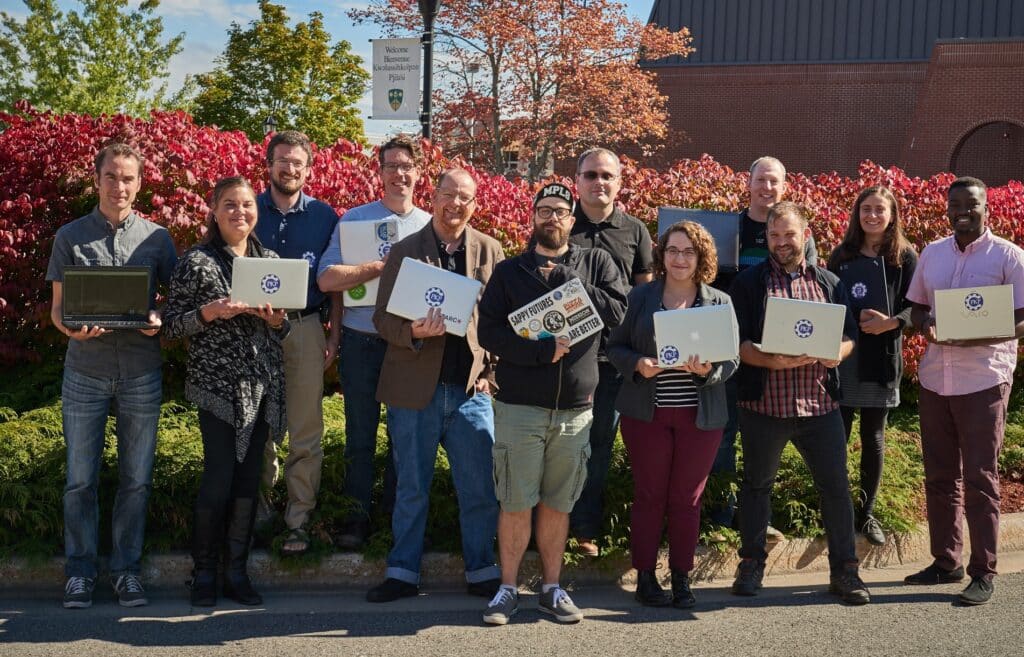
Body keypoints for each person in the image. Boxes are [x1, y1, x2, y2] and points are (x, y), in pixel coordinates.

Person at [477, 182, 628, 625]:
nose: (552, 218)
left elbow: (618, 313)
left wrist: (573, 283)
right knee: (515, 501)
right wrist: (541, 352)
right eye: (544, 210)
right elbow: (489, 333)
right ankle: (507, 590)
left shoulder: (597, 262)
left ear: (572, 219)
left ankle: (551, 589)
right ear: (532, 217)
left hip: (576, 409)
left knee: (558, 504)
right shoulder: (510, 271)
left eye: (561, 211)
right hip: (519, 407)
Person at [46, 142, 177, 609]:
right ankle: (80, 573)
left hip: (141, 372)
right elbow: (58, 310)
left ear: (139, 184)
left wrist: (158, 319)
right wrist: (71, 331)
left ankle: (126, 572)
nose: (118, 186)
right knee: (79, 481)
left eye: (127, 178)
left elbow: (175, 302)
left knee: (136, 481)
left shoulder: (158, 238)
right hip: (85, 371)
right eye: (111, 176)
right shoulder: (70, 236)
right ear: (97, 179)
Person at [365, 169, 505, 603]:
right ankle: (402, 573)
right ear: (434, 197)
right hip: (413, 390)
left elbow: (500, 323)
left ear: (474, 204)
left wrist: (491, 378)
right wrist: (413, 332)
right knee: (411, 488)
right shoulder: (406, 251)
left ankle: (482, 570)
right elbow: (381, 319)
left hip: (470, 392)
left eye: (464, 197)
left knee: (480, 489)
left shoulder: (491, 250)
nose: (455, 204)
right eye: (448, 195)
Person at [728, 201, 870, 605]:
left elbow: (849, 336)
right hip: (764, 407)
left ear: (805, 235)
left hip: (819, 406)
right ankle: (751, 564)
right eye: (774, 235)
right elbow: (737, 343)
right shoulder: (749, 283)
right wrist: (769, 359)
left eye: (789, 234)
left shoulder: (828, 282)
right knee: (756, 487)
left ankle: (845, 571)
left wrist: (837, 353)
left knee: (836, 489)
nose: (781, 242)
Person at [163, 177, 288, 607]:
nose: (240, 212)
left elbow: (285, 328)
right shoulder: (197, 262)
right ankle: (203, 574)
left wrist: (276, 320)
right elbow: (170, 326)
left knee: (249, 481)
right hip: (217, 388)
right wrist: (209, 312)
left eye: (247, 204)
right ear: (214, 211)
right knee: (218, 479)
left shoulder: (269, 260)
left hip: (260, 386)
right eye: (230, 204)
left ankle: (236, 573)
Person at [904, 176, 1024, 605]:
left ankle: (983, 571)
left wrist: (980, 335)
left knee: (980, 477)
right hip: (937, 378)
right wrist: (926, 325)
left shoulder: (1009, 256)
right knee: (939, 475)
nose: (961, 212)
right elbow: (917, 307)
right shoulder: (932, 254)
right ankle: (946, 561)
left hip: (984, 380)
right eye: (954, 205)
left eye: (970, 205)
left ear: (986, 208)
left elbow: (1022, 318)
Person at [608, 220, 738, 609]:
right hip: (647, 414)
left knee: (687, 498)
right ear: (662, 255)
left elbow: (731, 359)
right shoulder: (641, 297)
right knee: (649, 495)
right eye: (673, 250)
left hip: (699, 417)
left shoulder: (719, 302)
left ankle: (682, 576)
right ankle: (645, 576)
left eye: (689, 252)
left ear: (702, 257)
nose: (680, 258)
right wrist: (638, 364)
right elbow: (615, 347)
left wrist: (709, 371)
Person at [317, 135, 432, 549]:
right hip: (361, 341)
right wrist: (377, 268)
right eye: (391, 166)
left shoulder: (430, 225)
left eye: (407, 166)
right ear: (380, 172)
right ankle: (356, 521)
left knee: (406, 440)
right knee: (360, 438)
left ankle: (395, 522)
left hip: (406, 345)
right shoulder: (354, 221)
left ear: (419, 173)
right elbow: (327, 279)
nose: (399, 173)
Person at [708, 156, 818, 541]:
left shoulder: (798, 236)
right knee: (723, 435)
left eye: (774, 181)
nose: (767, 188)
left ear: (784, 186)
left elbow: (808, 290)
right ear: (749, 183)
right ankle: (721, 517)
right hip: (726, 347)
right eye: (761, 180)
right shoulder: (727, 228)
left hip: (773, 353)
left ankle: (755, 519)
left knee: (763, 443)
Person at [254, 130, 340, 556]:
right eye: (283, 161)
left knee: (306, 429)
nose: (290, 168)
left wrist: (334, 335)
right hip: (252, 329)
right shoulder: (247, 208)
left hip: (305, 326)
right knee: (256, 425)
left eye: (297, 163)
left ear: (308, 169)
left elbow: (335, 282)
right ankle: (259, 514)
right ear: (269, 164)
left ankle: (298, 521)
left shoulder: (325, 216)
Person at [567, 147, 654, 557]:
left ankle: (585, 528)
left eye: (607, 175)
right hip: (565, 357)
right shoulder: (561, 224)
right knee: (560, 444)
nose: (598, 182)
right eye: (590, 175)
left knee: (599, 444)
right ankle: (548, 525)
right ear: (577, 181)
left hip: (614, 358)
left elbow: (645, 292)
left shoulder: (635, 230)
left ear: (619, 182)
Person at [826, 186, 918, 546]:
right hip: (845, 356)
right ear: (857, 214)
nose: (873, 215)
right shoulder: (841, 255)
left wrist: (891, 322)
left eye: (880, 209)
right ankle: (836, 512)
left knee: (873, 438)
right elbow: (827, 301)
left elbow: (918, 307)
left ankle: (866, 513)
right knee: (838, 437)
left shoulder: (905, 256)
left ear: (892, 214)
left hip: (881, 358)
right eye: (866, 209)